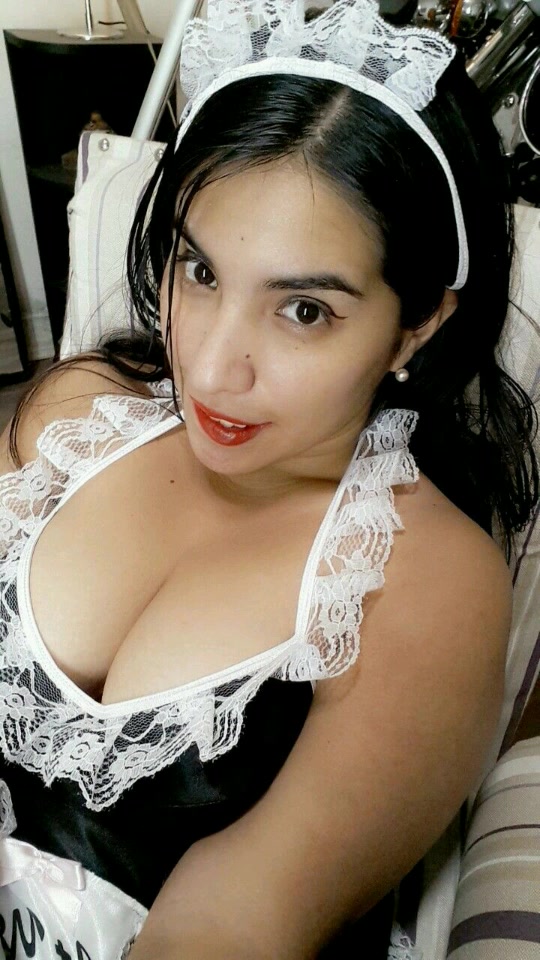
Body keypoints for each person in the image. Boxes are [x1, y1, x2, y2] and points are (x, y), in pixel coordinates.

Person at [0, 0, 537, 957]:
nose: (213, 369)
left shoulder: (421, 585)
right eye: (201, 272)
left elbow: (230, 927)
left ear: (417, 325)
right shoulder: (76, 415)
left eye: (304, 311)